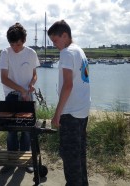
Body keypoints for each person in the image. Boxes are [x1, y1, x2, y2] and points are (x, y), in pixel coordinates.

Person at [48, 20, 91, 186]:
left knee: (70, 159)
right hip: (82, 111)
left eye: (55, 40)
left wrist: (57, 113)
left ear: (64, 35)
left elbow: (68, 85)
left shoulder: (67, 52)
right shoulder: (79, 51)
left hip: (71, 113)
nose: (54, 45)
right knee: (79, 155)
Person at [0, 23, 40, 173]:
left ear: (24, 40)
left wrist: (32, 84)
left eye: (18, 44)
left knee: (27, 130)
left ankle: (25, 161)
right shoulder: (5, 53)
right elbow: (4, 79)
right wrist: (21, 90)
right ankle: (11, 161)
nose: (15, 47)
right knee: (11, 131)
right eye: (12, 44)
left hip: (28, 96)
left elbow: (34, 74)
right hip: (11, 97)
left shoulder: (31, 53)